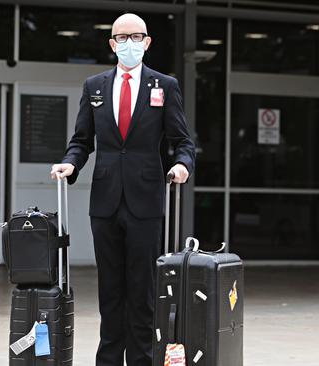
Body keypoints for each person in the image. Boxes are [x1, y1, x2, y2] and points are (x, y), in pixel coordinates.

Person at [50, 13, 195, 366]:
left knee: (142, 290)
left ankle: (142, 360)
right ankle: (110, 360)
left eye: (136, 36)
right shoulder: (94, 86)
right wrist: (71, 164)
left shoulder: (165, 85)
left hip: (145, 200)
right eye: (121, 37)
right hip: (105, 201)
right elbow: (81, 141)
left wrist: (181, 165)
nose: (128, 43)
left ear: (147, 42)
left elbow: (182, 141)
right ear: (112, 44)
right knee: (110, 290)